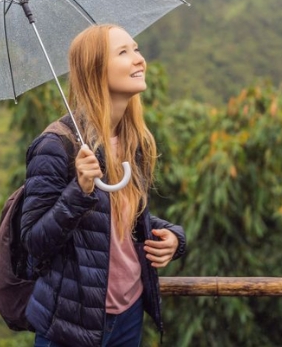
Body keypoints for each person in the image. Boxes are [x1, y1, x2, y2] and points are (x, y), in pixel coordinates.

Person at [21, 24, 187, 347]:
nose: (139, 60)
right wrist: (78, 191)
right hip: (72, 326)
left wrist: (174, 239)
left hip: (128, 316)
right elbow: (33, 244)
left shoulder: (132, 140)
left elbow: (118, 222)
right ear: (96, 70)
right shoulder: (57, 146)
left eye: (136, 49)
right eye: (124, 53)